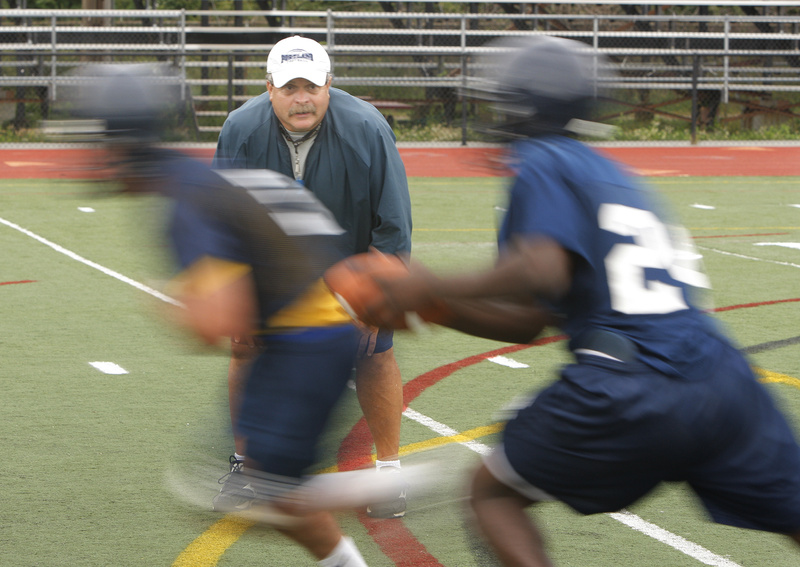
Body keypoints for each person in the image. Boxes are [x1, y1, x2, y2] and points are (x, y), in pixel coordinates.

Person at [357, 36, 800, 566]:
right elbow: (531, 320)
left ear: (523, 103)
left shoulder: (542, 158)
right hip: (724, 379)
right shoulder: (610, 173)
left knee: (493, 492)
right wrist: (441, 310)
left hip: (632, 378)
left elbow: (541, 266)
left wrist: (429, 285)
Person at [68, 63, 380, 566]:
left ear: (117, 142)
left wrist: (169, 301)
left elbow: (216, 324)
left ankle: (394, 485)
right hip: (303, 332)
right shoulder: (201, 178)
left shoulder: (185, 199)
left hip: (307, 338)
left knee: (244, 491)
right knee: (260, 485)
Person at [212, 35, 413, 519]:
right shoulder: (240, 128)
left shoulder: (367, 127)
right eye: (289, 88)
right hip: (272, 263)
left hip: (350, 262)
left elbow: (393, 222)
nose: (301, 98)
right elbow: (219, 220)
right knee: (245, 346)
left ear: (328, 85)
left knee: (374, 353)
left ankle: (388, 474)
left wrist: (378, 293)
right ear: (269, 89)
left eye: (311, 86)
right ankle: (244, 465)